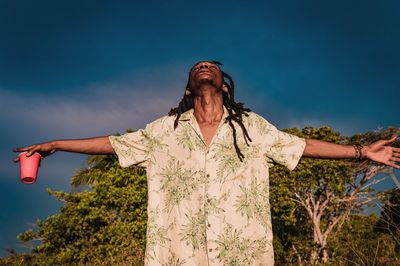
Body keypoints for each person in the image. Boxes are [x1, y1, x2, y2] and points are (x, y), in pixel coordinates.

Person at [14, 61, 400, 265]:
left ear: (224, 85)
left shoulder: (251, 128)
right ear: (188, 87)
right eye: (197, 67)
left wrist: (361, 152)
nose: (204, 67)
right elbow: (113, 143)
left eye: (211, 66)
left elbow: (299, 146)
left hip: (243, 256)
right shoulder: (164, 130)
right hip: (178, 256)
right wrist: (57, 144)